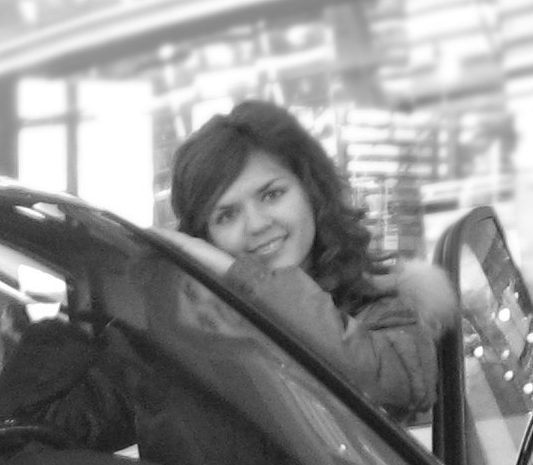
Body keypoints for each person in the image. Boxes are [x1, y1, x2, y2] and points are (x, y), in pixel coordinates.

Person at [153, 100, 457, 424]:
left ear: (311, 191)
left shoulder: (385, 308)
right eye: (226, 215)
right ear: (205, 238)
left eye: (271, 194)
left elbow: (402, 384)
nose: (256, 224)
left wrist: (247, 279)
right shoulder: (186, 334)